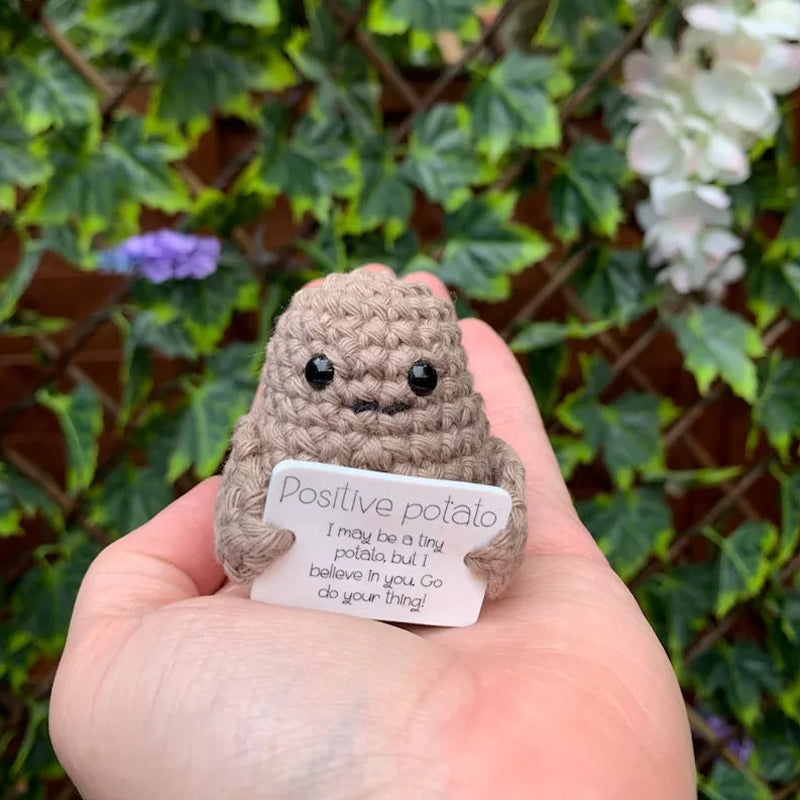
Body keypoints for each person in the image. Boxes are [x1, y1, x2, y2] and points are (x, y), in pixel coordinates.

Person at [49, 267, 697, 799]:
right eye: (322, 373)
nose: (373, 398)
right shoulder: (263, 450)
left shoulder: (474, 452)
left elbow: (502, 491)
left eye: (421, 378)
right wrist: (249, 536)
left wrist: (497, 547)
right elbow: (242, 510)